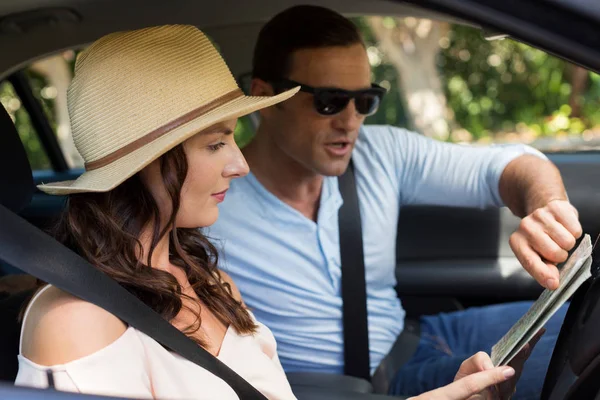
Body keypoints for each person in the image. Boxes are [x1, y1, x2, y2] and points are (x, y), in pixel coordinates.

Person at [12, 23, 520, 400]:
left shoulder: (213, 284)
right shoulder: (76, 324)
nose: (238, 163)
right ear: (146, 163)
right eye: (216, 145)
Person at [207, 6, 582, 400]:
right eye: (331, 101)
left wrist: (546, 207)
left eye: (364, 100)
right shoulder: (209, 206)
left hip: (412, 341)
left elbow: (506, 165)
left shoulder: (381, 152)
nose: (351, 122)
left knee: (583, 322)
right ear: (265, 98)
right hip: (326, 389)